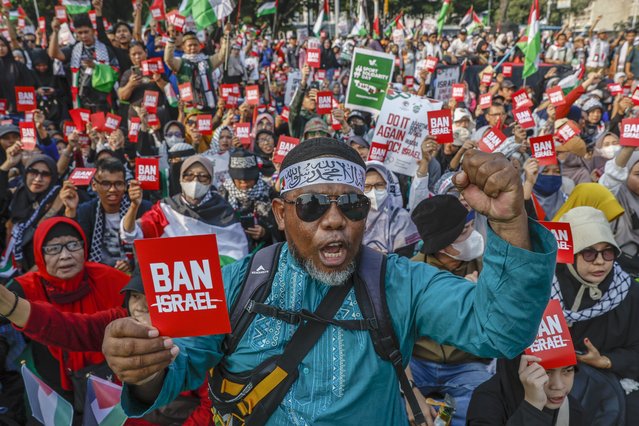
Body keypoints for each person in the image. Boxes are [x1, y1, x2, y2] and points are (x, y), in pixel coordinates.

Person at [103, 139, 558, 425]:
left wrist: (511, 222)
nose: (335, 221)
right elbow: (177, 366)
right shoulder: (236, 282)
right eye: (313, 206)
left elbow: (500, 328)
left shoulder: (401, 282)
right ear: (281, 214)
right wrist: (143, 367)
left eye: (352, 206)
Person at [3, 217, 129, 417]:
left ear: (84, 247)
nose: (65, 256)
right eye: (53, 249)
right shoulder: (24, 288)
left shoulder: (111, 279)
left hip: (108, 383)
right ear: (39, 254)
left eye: (73, 245)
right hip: (52, 388)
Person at [409, 194, 493, 424]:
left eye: (470, 226)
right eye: (464, 231)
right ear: (445, 245)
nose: (473, 235)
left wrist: (480, 300)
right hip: (419, 362)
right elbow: (397, 331)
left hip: (465, 364)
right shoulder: (411, 273)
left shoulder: (487, 267)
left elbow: (502, 321)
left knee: (484, 403)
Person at [552, 206, 639, 424]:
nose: (600, 261)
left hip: (613, 382)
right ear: (570, 256)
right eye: (589, 252)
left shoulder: (629, 293)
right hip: (551, 380)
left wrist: (607, 361)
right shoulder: (544, 288)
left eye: (608, 252)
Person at [120, 155, 249, 265]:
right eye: (189, 175)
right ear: (181, 179)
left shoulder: (224, 211)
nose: (195, 181)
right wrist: (134, 206)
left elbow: (238, 256)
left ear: (210, 181)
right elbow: (130, 235)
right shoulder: (166, 209)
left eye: (202, 176)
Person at [62, 157, 152, 271]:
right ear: (94, 185)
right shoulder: (86, 210)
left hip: (134, 276)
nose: (112, 189)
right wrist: (70, 210)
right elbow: (73, 246)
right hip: (96, 274)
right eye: (106, 184)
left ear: (125, 185)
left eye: (118, 184)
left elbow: (153, 248)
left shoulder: (142, 208)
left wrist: (133, 263)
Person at [467, 355, 583, 425]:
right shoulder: (486, 402)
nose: (558, 386)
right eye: (545, 372)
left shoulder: (572, 410)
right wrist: (532, 407)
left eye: (567, 370)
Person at [47, 14, 119, 112]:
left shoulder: (106, 49)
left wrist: (96, 67)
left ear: (93, 31)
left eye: (86, 32)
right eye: (80, 33)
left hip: (104, 101)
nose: (84, 36)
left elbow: (116, 72)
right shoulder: (74, 50)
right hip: (82, 102)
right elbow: (53, 54)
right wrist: (55, 31)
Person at [218, 150, 275, 251]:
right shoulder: (222, 193)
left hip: (262, 251)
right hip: (231, 249)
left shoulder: (268, 192)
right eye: (239, 180)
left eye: (248, 179)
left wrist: (264, 232)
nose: (244, 183)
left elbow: (279, 227)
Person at [362, 161, 419, 256]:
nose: (373, 191)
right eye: (367, 187)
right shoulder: (352, 216)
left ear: (387, 186)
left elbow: (404, 258)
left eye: (379, 185)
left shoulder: (400, 217)